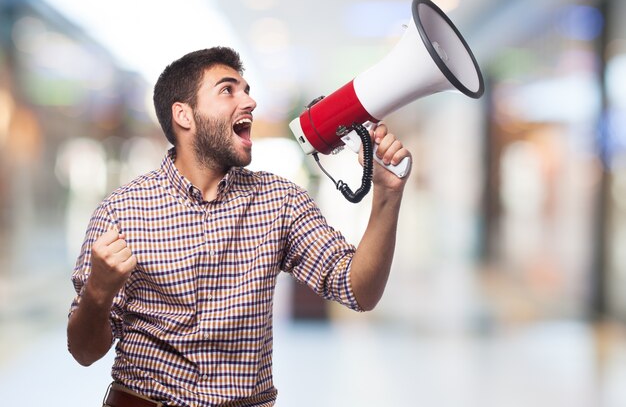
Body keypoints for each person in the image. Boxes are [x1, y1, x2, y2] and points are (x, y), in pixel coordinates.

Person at [67, 46, 412, 407]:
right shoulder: (122, 212)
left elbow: (359, 291)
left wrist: (387, 195)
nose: (249, 101)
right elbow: (84, 352)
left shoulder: (281, 202)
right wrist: (98, 292)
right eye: (228, 90)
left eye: (247, 90)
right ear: (184, 115)